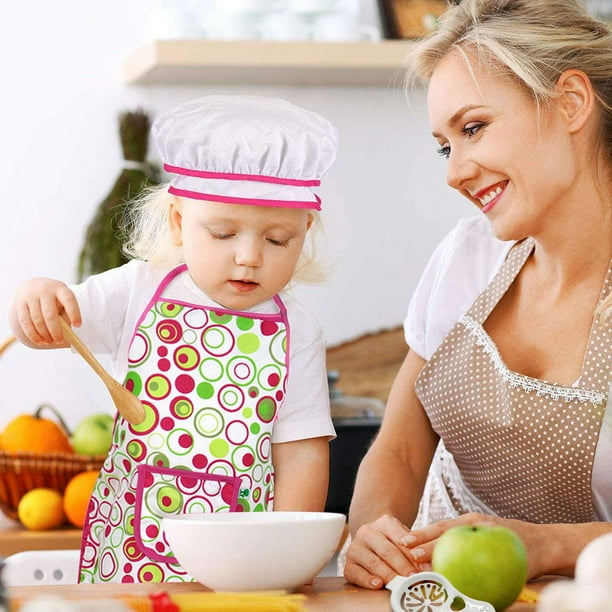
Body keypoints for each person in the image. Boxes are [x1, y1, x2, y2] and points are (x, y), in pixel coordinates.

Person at [8, 94, 338, 583]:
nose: (249, 256)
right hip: (130, 548)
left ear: (304, 230)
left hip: (244, 558)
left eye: (277, 240)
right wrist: (32, 299)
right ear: (180, 223)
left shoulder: (298, 332)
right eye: (223, 233)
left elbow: (303, 450)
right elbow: (51, 326)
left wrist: (289, 558)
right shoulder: (136, 288)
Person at [343, 0, 612, 590]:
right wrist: (373, 536)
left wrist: (545, 544)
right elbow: (402, 452)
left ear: (571, 102)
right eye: (445, 145)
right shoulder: (470, 256)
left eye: (473, 128)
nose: (455, 172)